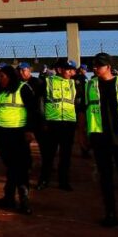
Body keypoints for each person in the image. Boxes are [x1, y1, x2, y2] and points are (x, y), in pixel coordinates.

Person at [78, 52, 118, 231]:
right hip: (100, 137)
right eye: (94, 65)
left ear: (108, 67)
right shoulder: (90, 85)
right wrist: (82, 134)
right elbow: (83, 111)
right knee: (105, 178)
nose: (95, 68)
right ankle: (110, 214)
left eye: (99, 65)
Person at [0, 64, 38, 214]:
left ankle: (24, 200)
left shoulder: (22, 88)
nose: (0, 79)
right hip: (2, 134)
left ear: (10, 76)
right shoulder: (0, 92)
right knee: (11, 166)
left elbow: (33, 109)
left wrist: (30, 130)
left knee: (20, 167)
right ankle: (9, 198)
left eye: (2, 76)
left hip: (17, 133)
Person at [38, 59, 78, 191]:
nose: (71, 72)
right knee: (49, 154)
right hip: (52, 123)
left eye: (72, 69)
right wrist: (43, 121)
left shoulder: (74, 83)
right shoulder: (47, 82)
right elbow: (41, 103)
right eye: (68, 69)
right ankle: (44, 180)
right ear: (60, 70)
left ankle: (64, 181)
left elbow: (77, 103)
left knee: (65, 155)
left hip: (68, 124)